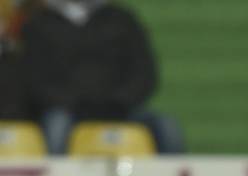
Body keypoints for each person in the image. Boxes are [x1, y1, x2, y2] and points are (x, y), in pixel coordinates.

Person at [20, 0, 184, 153]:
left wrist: (119, 102)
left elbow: (144, 72)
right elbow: (34, 78)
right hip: (66, 110)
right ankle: (55, 175)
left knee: (167, 127)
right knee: (56, 128)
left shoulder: (122, 20)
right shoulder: (39, 24)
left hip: (120, 109)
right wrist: (73, 103)